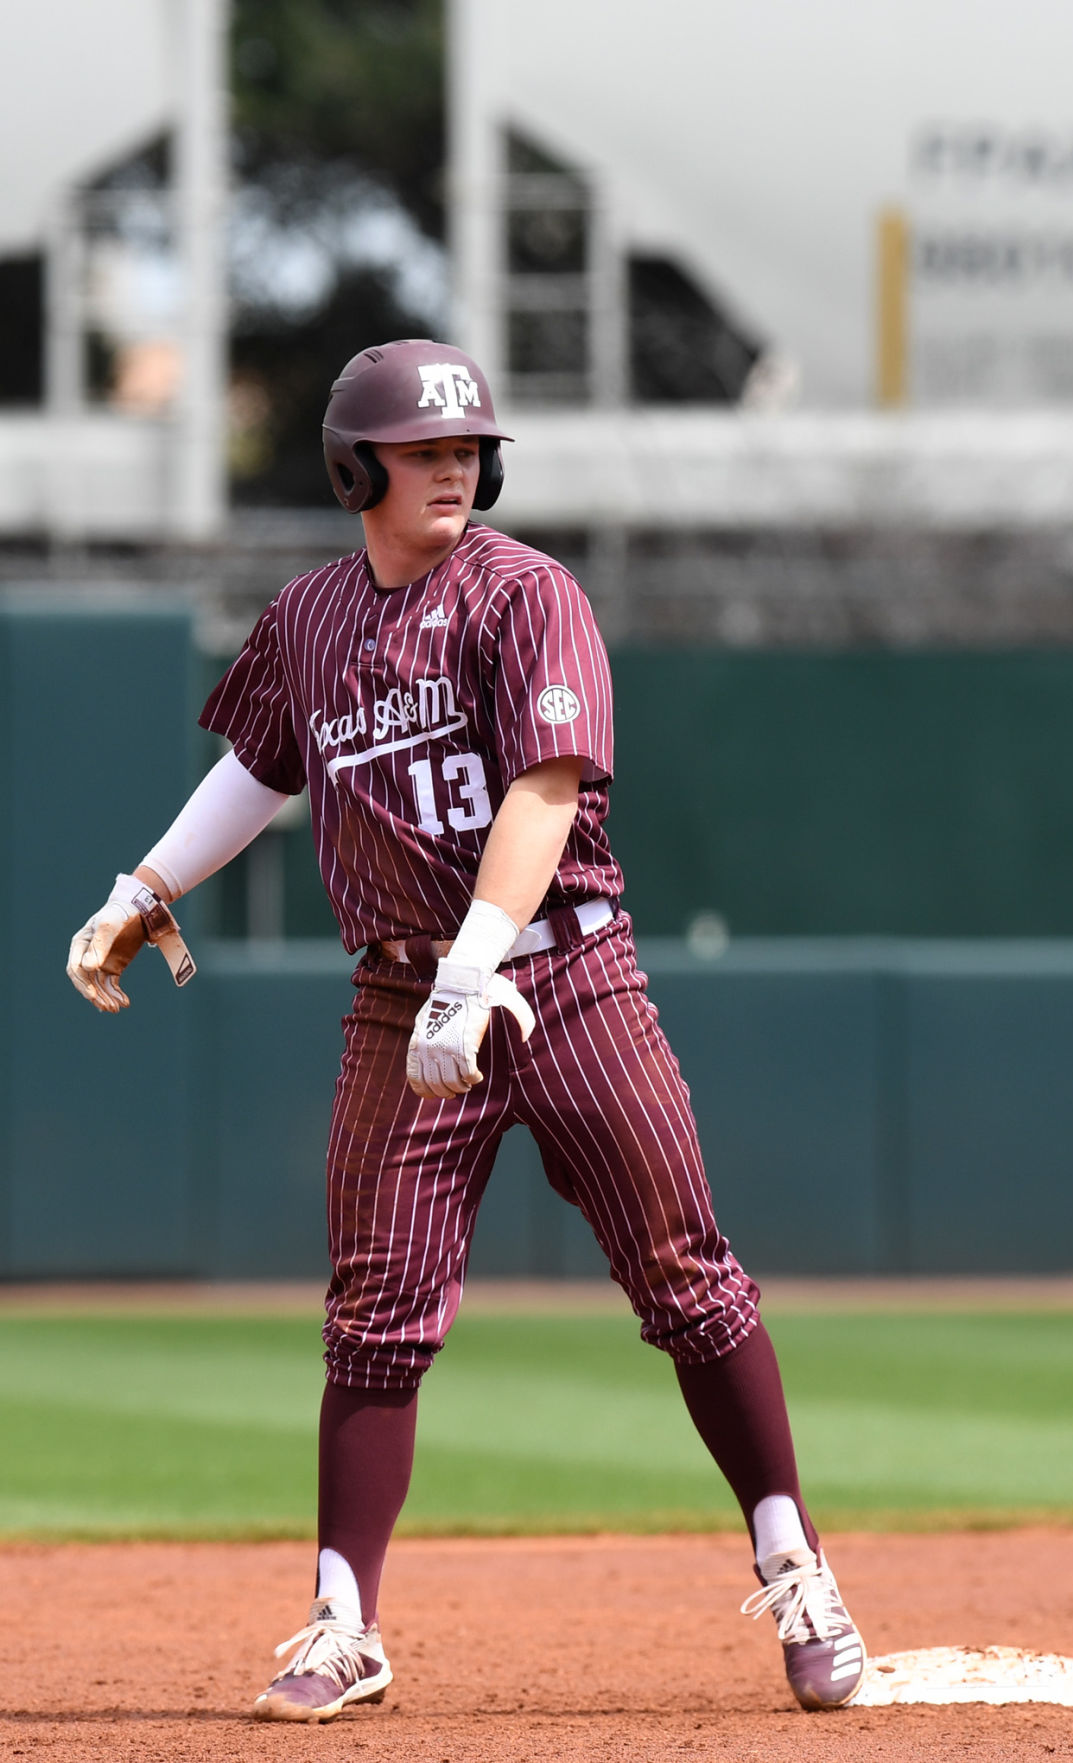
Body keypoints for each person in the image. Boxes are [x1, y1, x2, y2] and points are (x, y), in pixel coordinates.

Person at [66, 338, 865, 1723]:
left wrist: (477, 963)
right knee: (374, 1313)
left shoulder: (526, 593)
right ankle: (341, 1624)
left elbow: (546, 792)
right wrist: (145, 887)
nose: (452, 468)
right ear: (352, 465)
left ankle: (797, 1564)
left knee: (685, 1277)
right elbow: (258, 766)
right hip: (397, 993)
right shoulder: (309, 619)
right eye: (422, 449)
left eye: (465, 449)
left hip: (567, 977)